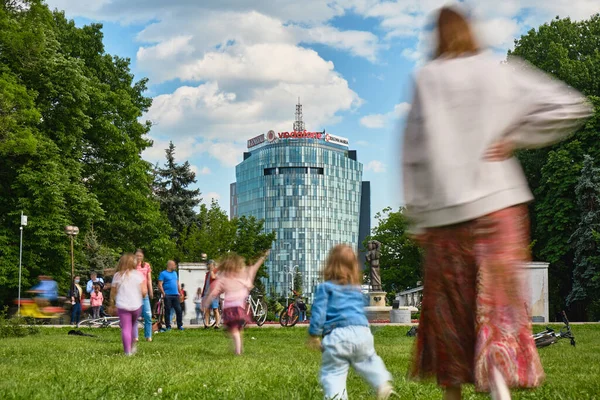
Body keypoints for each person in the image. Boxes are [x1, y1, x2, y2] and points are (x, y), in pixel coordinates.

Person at [402, 7, 593, 400]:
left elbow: (413, 151)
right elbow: (572, 106)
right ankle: (499, 388)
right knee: (499, 304)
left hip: (446, 212)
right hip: (501, 204)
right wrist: (517, 136)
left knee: (449, 311)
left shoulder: (428, 77)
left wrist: (417, 215)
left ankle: (453, 394)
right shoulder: (500, 70)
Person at [308, 245, 394, 400]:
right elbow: (360, 311)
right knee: (369, 360)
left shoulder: (325, 288)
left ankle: (337, 397)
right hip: (362, 333)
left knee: (334, 373)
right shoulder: (356, 290)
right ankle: (381, 382)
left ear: (330, 265)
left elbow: (319, 312)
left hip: (337, 335)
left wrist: (314, 334)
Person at [203, 250, 269, 355]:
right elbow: (254, 267)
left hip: (231, 309)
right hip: (241, 309)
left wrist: (206, 302)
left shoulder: (224, 278)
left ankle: (238, 351)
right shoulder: (242, 276)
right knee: (236, 330)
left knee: (233, 331)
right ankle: (237, 347)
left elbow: (214, 291)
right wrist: (262, 257)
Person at [109, 253, 147, 356]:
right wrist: (141, 295)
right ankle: (133, 345)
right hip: (136, 305)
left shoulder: (117, 275)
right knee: (133, 325)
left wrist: (111, 304)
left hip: (123, 305)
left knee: (126, 327)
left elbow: (113, 292)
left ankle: (127, 352)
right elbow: (144, 291)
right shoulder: (138, 275)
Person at [158, 260, 184, 331]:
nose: (175, 266)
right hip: (168, 295)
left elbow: (177, 283)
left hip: (175, 295)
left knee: (179, 310)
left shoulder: (175, 273)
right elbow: (160, 284)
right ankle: (168, 326)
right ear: (170, 265)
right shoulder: (163, 274)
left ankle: (179, 325)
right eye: (174, 265)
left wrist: (180, 292)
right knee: (168, 311)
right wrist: (163, 293)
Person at [135, 249, 154, 342]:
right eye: (137, 255)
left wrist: (151, 291)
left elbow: (149, 279)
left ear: (142, 257)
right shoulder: (131, 266)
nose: (138, 257)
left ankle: (148, 336)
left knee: (148, 315)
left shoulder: (146, 265)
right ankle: (135, 336)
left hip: (144, 293)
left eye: (140, 256)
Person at [202, 260, 221, 329]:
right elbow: (206, 284)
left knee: (215, 309)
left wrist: (211, 270)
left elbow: (213, 277)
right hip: (207, 294)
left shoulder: (216, 273)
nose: (209, 266)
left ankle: (217, 324)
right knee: (207, 309)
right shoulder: (207, 274)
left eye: (210, 265)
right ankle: (206, 324)